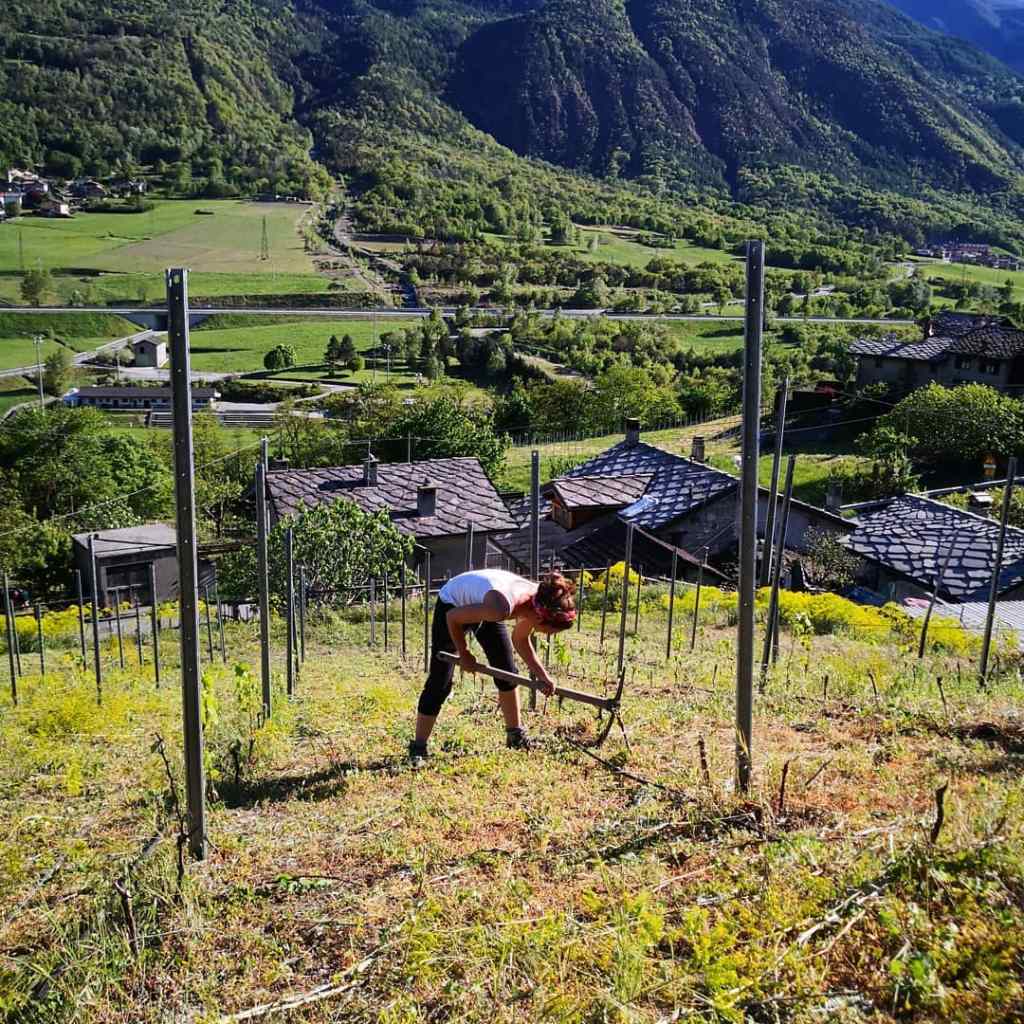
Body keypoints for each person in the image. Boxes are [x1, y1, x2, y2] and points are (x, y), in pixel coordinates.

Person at [410, 568, 577, 760]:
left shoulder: (537, 603)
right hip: (453, 603)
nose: (548, 635)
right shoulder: (501, 608)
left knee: (507, 672)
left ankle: (515, 735)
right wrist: (464, 653)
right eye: (550, 631)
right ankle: (418, 748)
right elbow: (453, 617)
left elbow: (520, 640)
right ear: (540, 618)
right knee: (440, 682)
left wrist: (542, 675)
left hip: (485, 601)